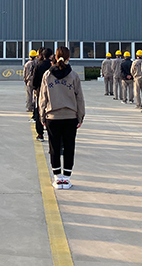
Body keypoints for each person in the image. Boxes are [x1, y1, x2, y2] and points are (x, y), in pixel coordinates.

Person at [38, 46, 85, 190]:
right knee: (69, 147)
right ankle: (67, 178)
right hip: (70, 116)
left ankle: (57, 178)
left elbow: (43, 98)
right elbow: (79, 98)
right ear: (68, 58)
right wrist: (80, 116)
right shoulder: (73, 75)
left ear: (55, 57)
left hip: (53, 116)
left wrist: (42, 115)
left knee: (54, 147)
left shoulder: (47, 75)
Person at [31, 48, 53, 141]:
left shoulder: (38, 66)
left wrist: (36, 89)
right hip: (52, 91)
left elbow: (34, 82)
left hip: (40, 92)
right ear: (51, 56)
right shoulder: (53, 66)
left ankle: (40, 134)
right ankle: (52, 133)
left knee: (40, 112)